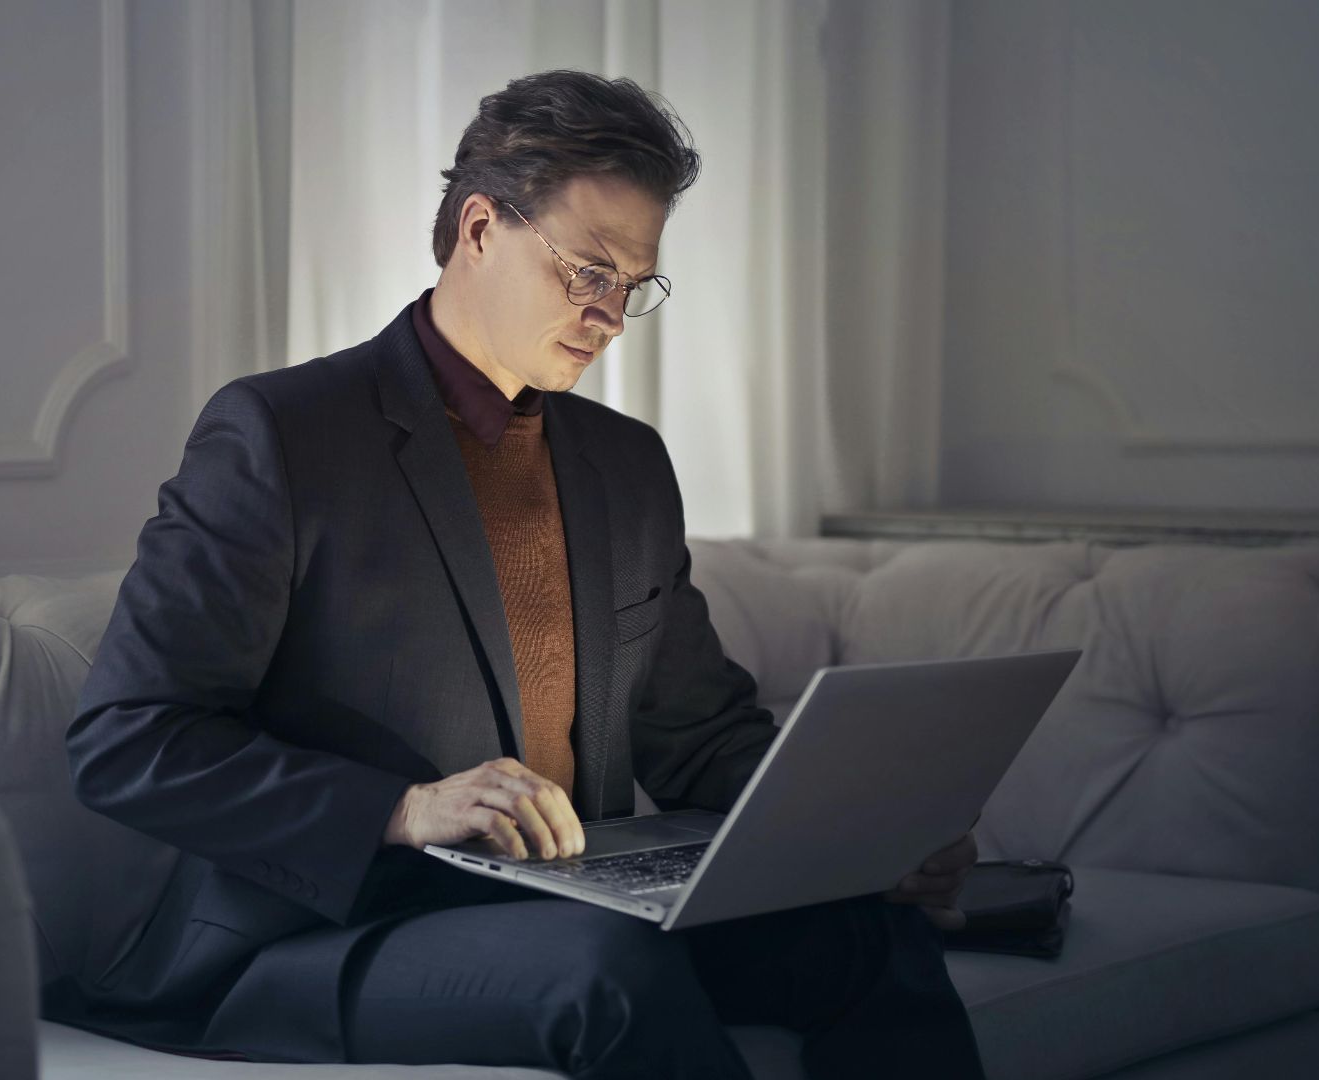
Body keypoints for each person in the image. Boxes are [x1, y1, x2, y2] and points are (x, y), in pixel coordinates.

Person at [60, 68, 986, 1079]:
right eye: (588, 272)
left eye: (633, 286)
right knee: (608, 970)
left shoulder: (626, 466)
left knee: (867, 933)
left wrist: (858, 836)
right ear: (481, 229)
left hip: (560, 901)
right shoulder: (281, 436)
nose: (611, 318)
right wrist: (403, 808)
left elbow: (700, 735)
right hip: (324, 932)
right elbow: (127, 739)